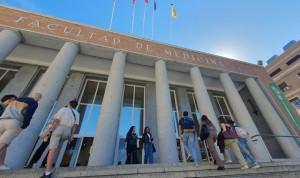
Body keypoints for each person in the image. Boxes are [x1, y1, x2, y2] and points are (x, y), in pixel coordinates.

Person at [0, 93, 42, 170]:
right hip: (14, 122)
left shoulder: (15, 100)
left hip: (2, 121)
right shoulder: (33, 103)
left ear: (31, 95)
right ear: (38, 99)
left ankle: (1, 164)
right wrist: (24, 126)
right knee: (3, 144)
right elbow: (28, 115)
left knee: (5, 145)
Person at [40, 100, 80, 178]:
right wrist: (71, 136)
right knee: (58, 148)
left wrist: (51, 130)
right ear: (75, 106)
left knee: (52, 150)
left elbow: (56, 120)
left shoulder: (64, 109)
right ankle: (49, 164)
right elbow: (75, 125)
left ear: (69, 104)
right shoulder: (77, 113)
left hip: (60, 129)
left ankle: (47, 172)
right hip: (68, 131)